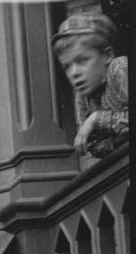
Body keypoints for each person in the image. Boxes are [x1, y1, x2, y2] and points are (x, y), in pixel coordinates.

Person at [51, 13, 129, 158]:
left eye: (82, 60)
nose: (74, 73)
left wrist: (95, 119)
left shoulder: (120, 67)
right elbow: (91, 145)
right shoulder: (81, 95)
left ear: (107, 55)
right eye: (67, 66)